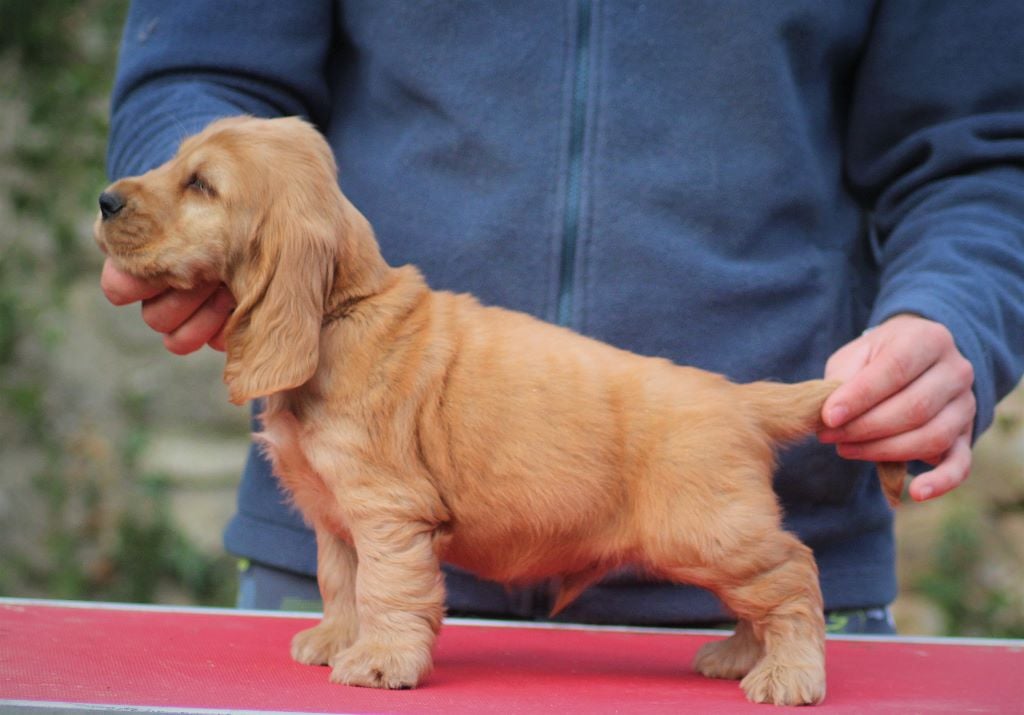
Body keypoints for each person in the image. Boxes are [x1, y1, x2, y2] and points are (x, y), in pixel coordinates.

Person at [100, 2, 1024, 633]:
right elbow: (199, 60)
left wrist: (955, 311)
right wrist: (207, 213)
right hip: (337, 577)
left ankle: (779, 619)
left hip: (746, 532)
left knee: (756, 576)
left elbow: (982, 153)